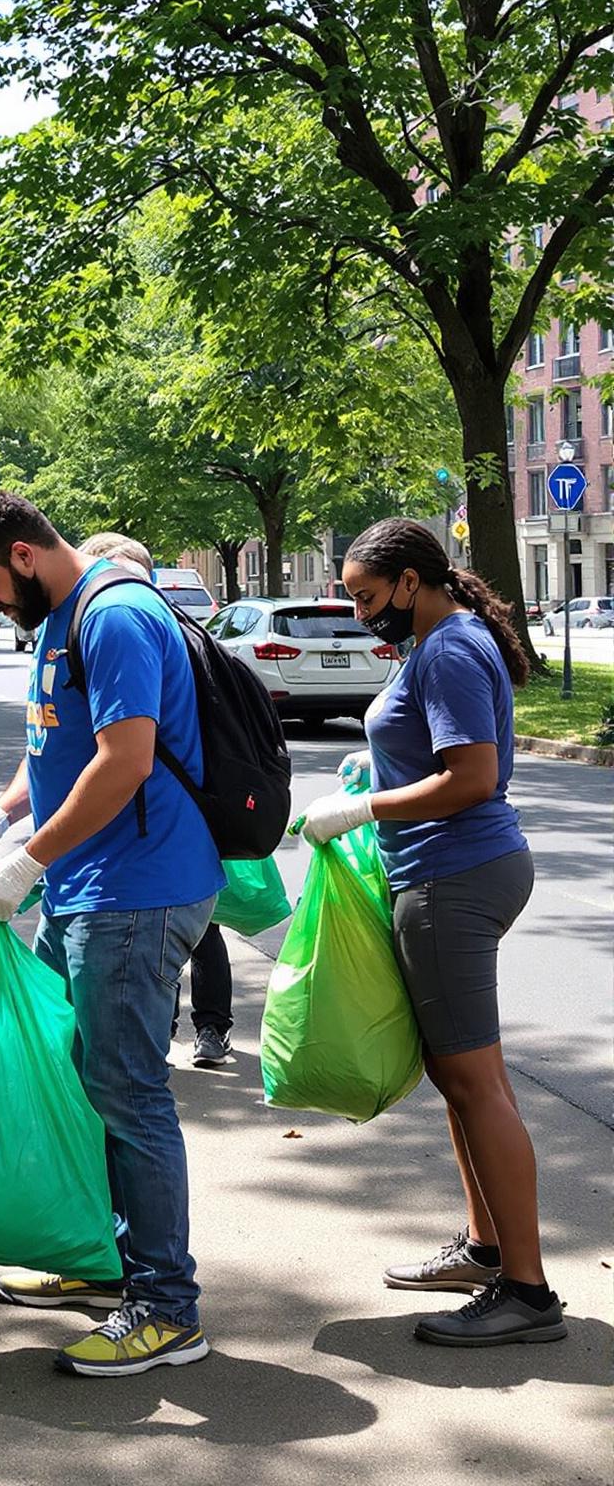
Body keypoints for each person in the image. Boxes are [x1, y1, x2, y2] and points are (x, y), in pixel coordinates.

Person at [0, 490, 219, 1378]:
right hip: (91, 887)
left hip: (136, 892)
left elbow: (125, 761)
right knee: (80, 1079)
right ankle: (107, 1259)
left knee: (128, 1093)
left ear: (23, 554)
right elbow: (56, 748)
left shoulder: (115, 614)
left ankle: (166, 1308)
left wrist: (27, 862)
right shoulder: (61, 616)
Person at [292, 519, 561, 1346]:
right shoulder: (443, 641)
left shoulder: (447, 649)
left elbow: (472, 778)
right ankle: (487, 1249)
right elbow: (439, 756)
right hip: (453, 872)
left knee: (477, 1084)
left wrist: (366, 807)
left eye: (367, 595)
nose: (359, 611)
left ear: (411, 581)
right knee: (461, 1076)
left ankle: (528, 1293)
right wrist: (380, 768)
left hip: (452, 878)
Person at [75, 531, 236, 1069]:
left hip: (168, 832)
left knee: (191, 932)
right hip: (178, 830)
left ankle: (208, 1026)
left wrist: (30, 857)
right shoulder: (161, 624)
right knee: (187, 932)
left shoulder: (131, 624)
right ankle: (174, 1026)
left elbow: (130, 755)